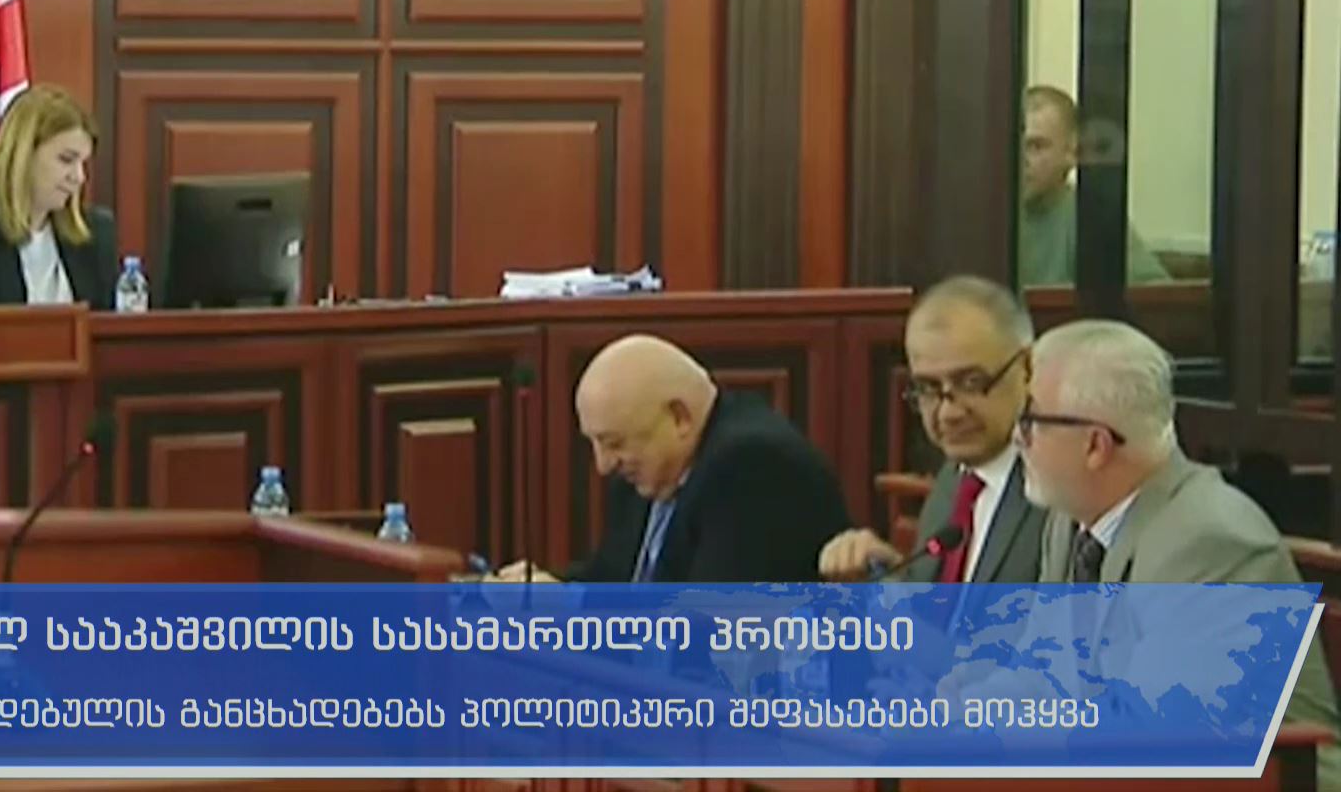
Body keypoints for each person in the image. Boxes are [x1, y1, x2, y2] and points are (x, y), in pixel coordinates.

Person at [1022, 319, 1340, 783]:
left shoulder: (1212, 541)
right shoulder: (1069, 521)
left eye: (1030, 422)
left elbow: (1145, 735)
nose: (1018, 440)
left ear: (1095, 445)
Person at [490, 334, 850, 584]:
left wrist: (573, 610)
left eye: (614, 443)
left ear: (679, 418)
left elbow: (699, 630)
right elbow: (615, 578)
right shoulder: (652, 469)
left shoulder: (754, 466)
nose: (603, 465)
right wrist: (547, 588)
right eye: (595, 443)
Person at [820, 276, 1046, 583]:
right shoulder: (954, 480)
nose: (948, 413)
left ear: (1028, 368)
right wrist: (883, 576)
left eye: (971, 383)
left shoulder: (1060, 492)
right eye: (928, 388)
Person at [0, 85, 119, 309]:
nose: (79, 177)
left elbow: (107, 323)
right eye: (66, 160)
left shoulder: (94, 231)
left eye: (83, 163)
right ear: (23, 156)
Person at [1018, 85, 1169, 288]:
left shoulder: (1093, 216)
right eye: (1014, 143)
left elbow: (1156, 294)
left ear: (1072, 153)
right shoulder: (984, 215)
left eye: (1036, 146)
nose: (1021, 158)